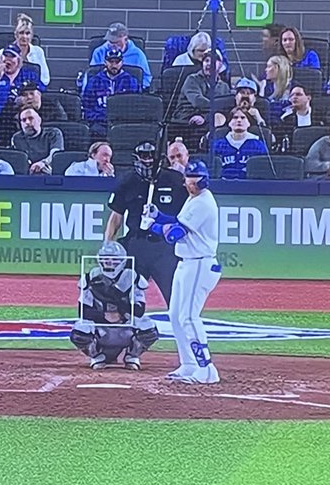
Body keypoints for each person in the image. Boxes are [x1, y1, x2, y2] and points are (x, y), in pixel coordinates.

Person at [141, 161, 221, 384]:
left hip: (199, 264)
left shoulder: (203, 202)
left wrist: (152, 226)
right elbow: (176, 221)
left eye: (196, 181)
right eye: (190, 180)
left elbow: (175, 233)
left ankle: (206, 369)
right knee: (175, 315)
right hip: (187, 263)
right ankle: (189, 364)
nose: (192, 185)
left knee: (188, 317)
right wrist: (158, 215)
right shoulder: (193, 198)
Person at [103, 141, 189, 308]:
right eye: (143, 156)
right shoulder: (127, 181)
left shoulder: (175, 180)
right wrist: (107, 244)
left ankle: (182, 330)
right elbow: (116, 217)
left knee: (177, 298)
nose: (148, 160)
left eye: (151, 156)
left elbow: (188, 213)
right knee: (121, 295)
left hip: (165, 247)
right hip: (136, 244)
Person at [69, 240, 160, 370]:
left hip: (126, 327)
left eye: (114, 259)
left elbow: (139, 310)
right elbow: (83, 311)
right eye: (106, 259)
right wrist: (104, 316)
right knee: (79, 330)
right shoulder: (91, 277)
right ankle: (97, 356)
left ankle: (132, 355)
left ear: (122, 261)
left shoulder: (132, 277)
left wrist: (119, 306)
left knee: (148, 327)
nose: (110, 262)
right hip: (101, 328)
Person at [0, 44, 43, 139]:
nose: (7, 60)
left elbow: (37, 96)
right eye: (6, 56)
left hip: (18, 117)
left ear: (19, 60)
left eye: (12, 56)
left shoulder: (29, 73)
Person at [81, 47, 142, 137]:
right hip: (100, 123)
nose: (114, 65)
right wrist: (100, 117)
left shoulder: (131, 81)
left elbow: (137, 106)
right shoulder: (95, 81)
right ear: (105, 62)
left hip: (123, 122)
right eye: (111, 62)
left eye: (117, 62)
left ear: (122, 62)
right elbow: (87, 106)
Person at [89, 22, 152, 89]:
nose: (113, 45)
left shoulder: (138, 55)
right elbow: (92, 75)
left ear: (126, 39)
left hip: (129, 92)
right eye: (110, 42)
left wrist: (139, 89)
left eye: (117, 42)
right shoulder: (99, 52)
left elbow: (146, 77)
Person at [212, 108, 269, 180]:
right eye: (235, 117)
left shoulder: (258, 145)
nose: (239, 120)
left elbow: (263, 170)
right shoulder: (218, 145)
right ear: (229, 123)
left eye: (243, 117)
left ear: (249, 123)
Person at [0, 13, 50, 86]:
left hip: (32, 90)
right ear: (16, 34)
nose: (24, 36)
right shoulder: (3, 52)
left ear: (32, 35)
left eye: (28, 33)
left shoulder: (38, 52)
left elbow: (45, 79)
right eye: (21, 33)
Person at [10, 107, 64, 174]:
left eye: (31, 118)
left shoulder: (53, 133)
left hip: (49, 172)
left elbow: (55, 154)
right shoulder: (16, 138)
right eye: (24, 120)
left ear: (39, 120)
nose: (27, 122)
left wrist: (43, 163)